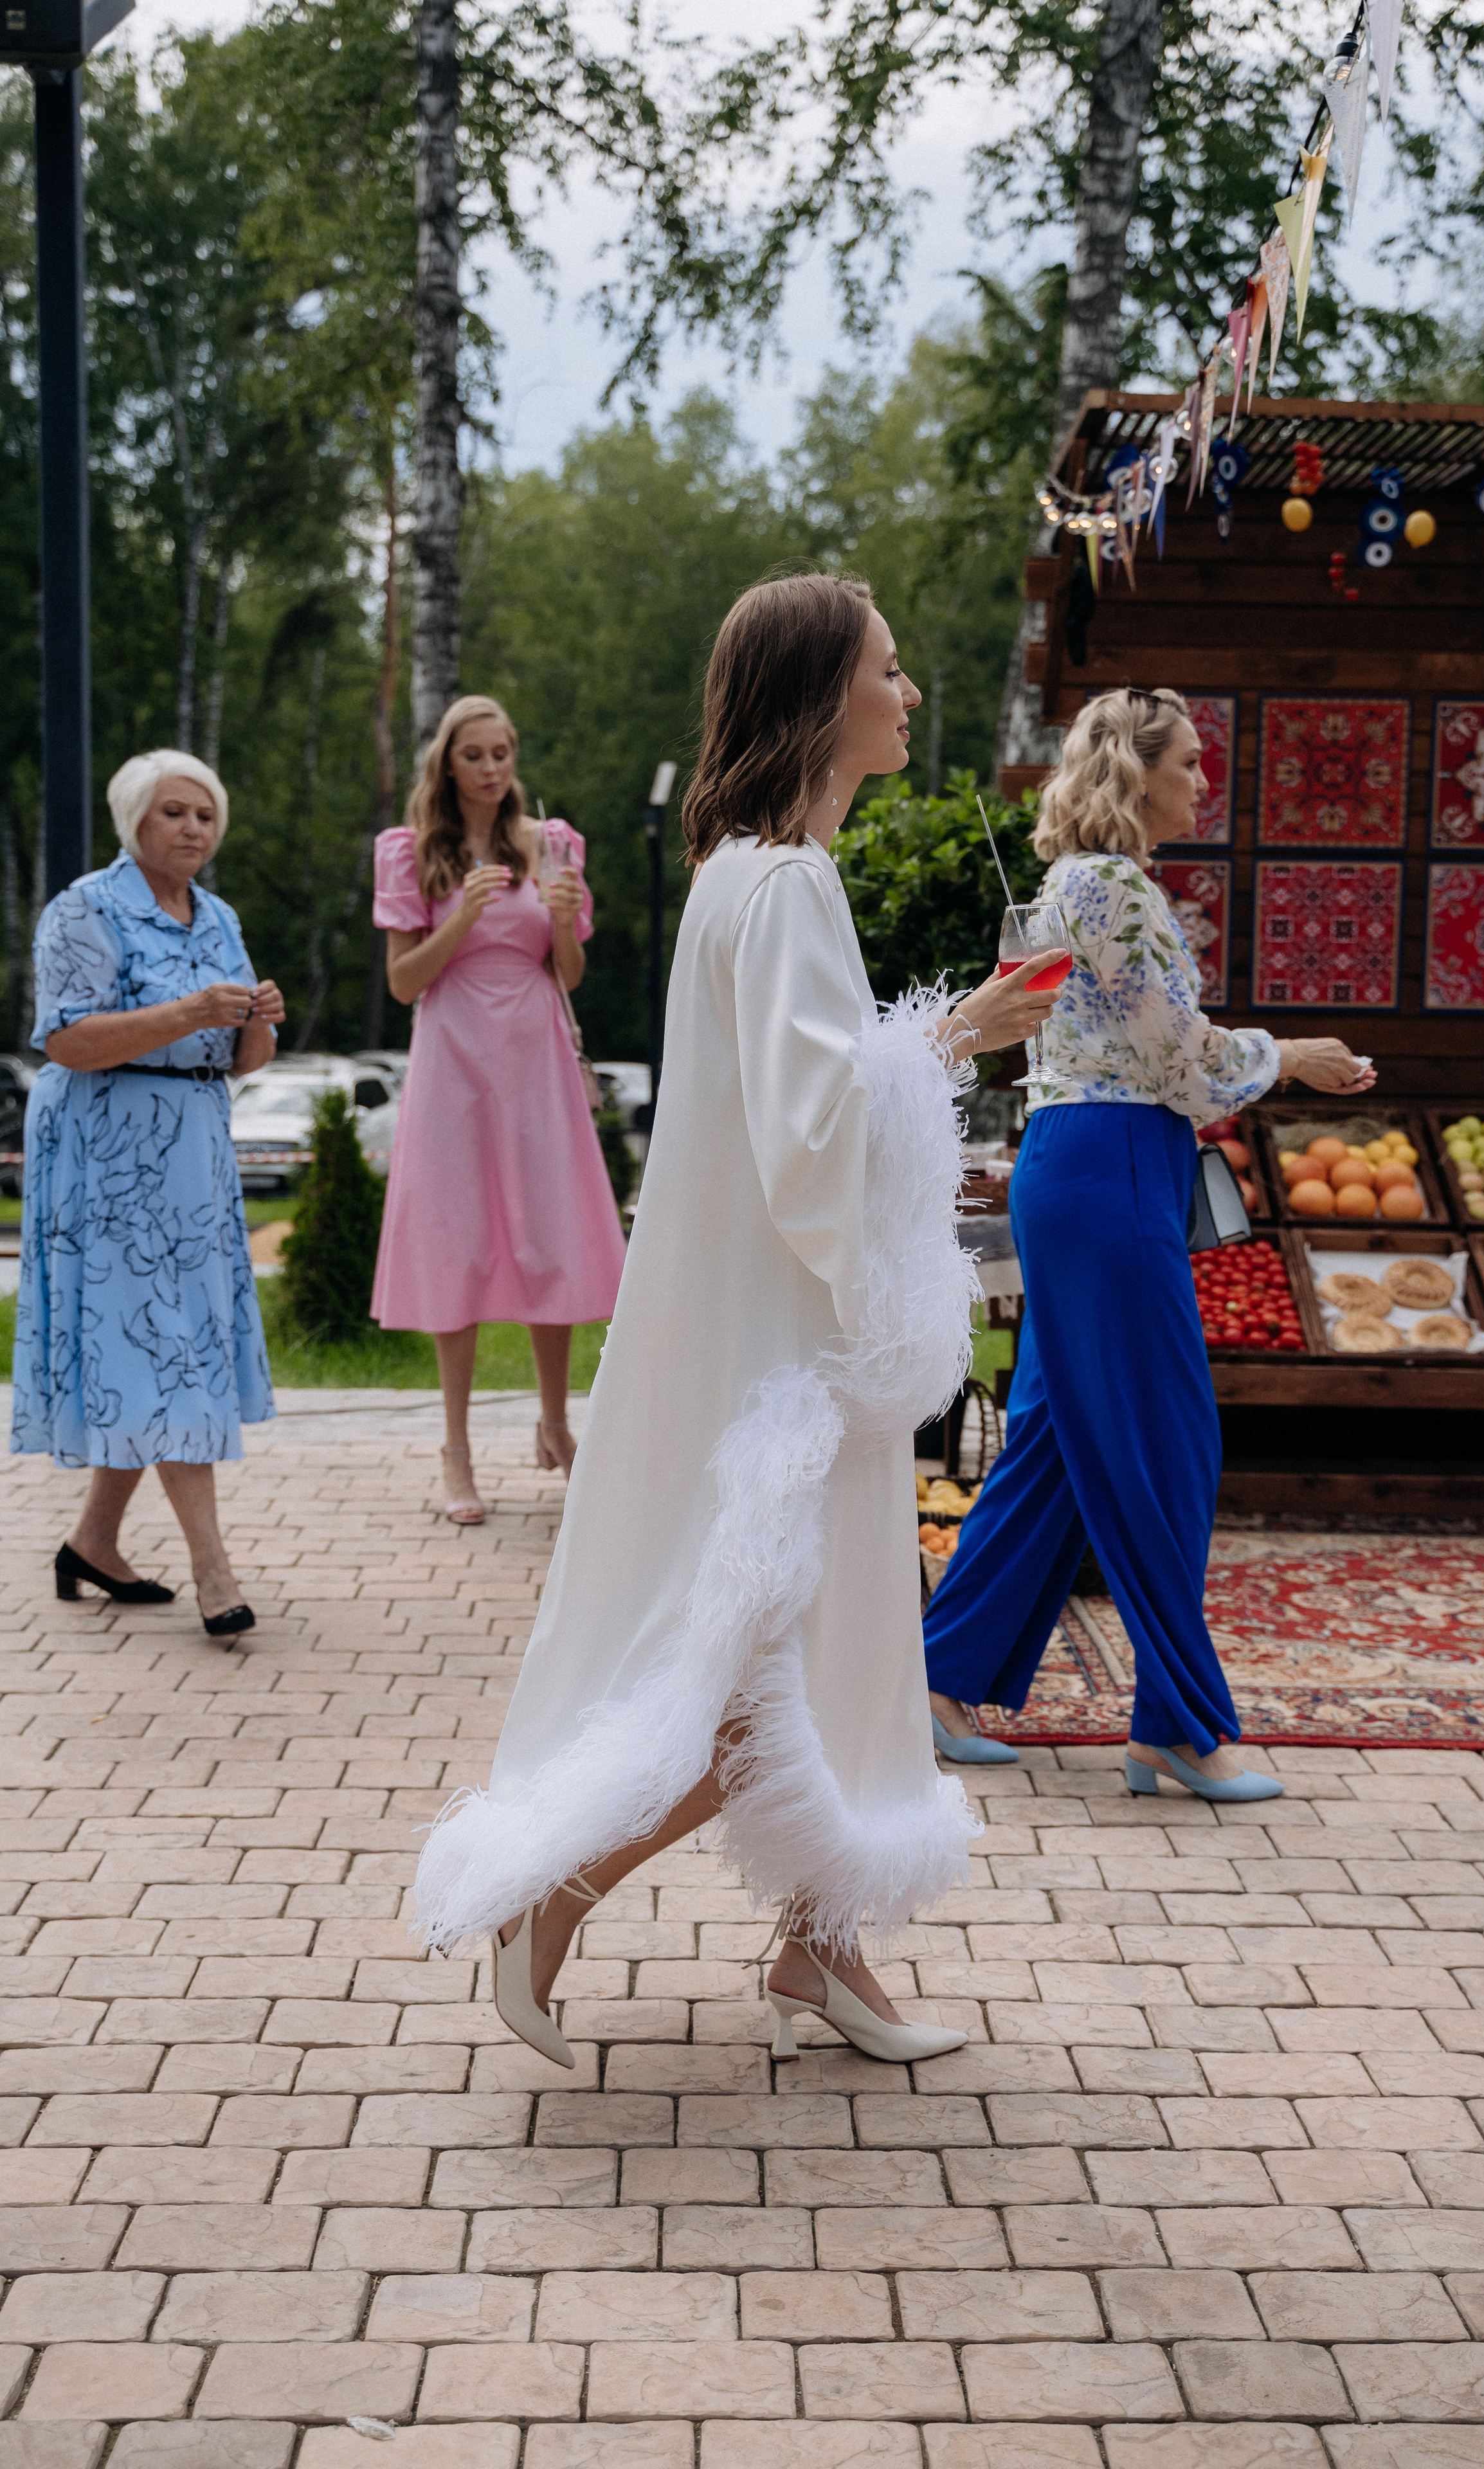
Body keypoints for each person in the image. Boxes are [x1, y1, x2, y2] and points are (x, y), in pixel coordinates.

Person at [412, 573, 1056, 2065]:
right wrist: (958, 1028)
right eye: (887, 671)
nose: (906, 696)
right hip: (789, 1359)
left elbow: (800, 1110)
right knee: (744, 1676)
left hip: (781, 1346)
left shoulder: (742, 876)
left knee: (824, 1650)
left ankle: (820, 1950)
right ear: (823, 695)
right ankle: (549, 1898)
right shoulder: (780, 884)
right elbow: (811, 1129)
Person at [923, 686, 1375, 1800]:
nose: (1202, 778)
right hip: (1114, 1169)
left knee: (1058, 1446)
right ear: (1137, 771)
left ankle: (938, 1678)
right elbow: (1183, 1060)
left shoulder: (1074, 887)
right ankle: (1176, 1723)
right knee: (1169, 1442)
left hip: (1087, 1167)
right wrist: (1295, 1054)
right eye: (1189, 760)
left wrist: (1266, 1055)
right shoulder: (1112, 888)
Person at [11, 751, 283, 1640]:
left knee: (163, 1351)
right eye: (174, 813)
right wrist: (188, 1014)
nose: (193, 829)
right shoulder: (84, 908)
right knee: (166, 1354)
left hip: (194, 1162)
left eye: (206, 815)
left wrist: (258, 1025)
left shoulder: (219, 916)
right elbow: (66, 1041)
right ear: (134, 819)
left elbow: (241, 1060)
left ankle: (92, 1542)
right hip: (108, 1157)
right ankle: (215, 1571)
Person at [372, 694, 628, 1521]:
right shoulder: (410, 853)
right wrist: (465, 919)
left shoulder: (548, 843)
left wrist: (562, 926)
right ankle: (456, 1453)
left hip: (535, 1057)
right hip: (451, 1058)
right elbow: (405, 982)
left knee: (548, 1232)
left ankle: (554, 1426)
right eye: (475, 755)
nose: (491, 769)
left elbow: (570, 975)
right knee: (458, 1241)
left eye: (503, 753)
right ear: (448, 763)